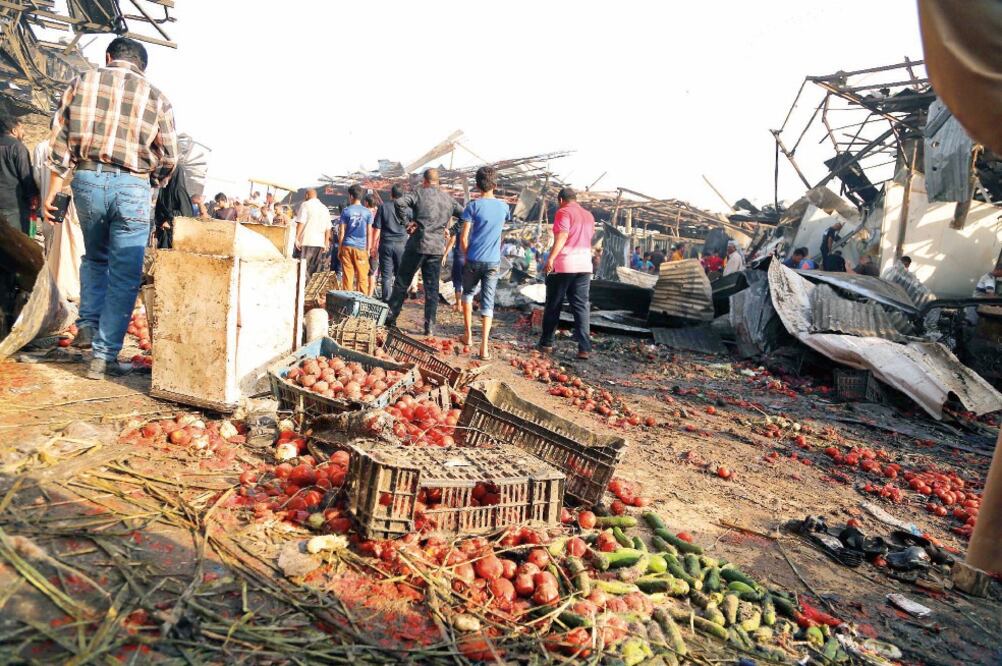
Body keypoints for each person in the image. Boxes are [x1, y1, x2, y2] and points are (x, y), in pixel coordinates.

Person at [42, 37, 177, 380]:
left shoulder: (81, 82)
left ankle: (87, 324)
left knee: (95, 258)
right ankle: (103, 358)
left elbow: (60, 140)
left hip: (87, 179)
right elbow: (170, 156)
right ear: (142, 66)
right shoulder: (157, 97)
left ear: (108, 57)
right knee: (124, 274)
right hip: (133, 184)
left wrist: (53, 190)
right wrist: (152, 182)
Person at [385, 168, 464, 335]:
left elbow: (399, 203)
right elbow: (465, 214)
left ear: (425, 181)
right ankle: (429, 327)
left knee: (402, 282)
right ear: (438, 181)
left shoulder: (419, 193)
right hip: (436, 248)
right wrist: (453, 230)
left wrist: (407, 223)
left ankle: (390, 319)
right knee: (432, 288)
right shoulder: (448, 199)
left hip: (417, 244)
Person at [538, 187, 595, 360]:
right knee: (581, 307)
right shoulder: (589, 216)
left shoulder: (563, 212)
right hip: (584, 265)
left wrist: (551, 258)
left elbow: (562, 236)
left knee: (554, 304)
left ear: (561, 200)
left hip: (564, 264)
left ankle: (546, 344)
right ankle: (584, 349)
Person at [459, 166, 509, 359]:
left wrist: (466, 255)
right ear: (495, 185)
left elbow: (464, 238)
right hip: (493, 262)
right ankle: (484, 348)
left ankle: (468, 335)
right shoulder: (504, 207)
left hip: (473, 259)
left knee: (468, 294)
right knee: (488, 302)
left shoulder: (472, 206)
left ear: (477, 185)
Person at [0, 115, 38, 235]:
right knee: (16, 239)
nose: (23, 132)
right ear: (14, 130)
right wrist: (33, 197)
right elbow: (25, 175)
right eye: (21, 128)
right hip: (14, 204)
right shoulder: (18, 147)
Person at [374, 184, 409, 302]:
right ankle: (398, 301)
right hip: (401, 245)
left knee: (386, 275)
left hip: (386, 244)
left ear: (391, 194)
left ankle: (386, 300)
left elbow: (377, 229)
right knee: (401, 275)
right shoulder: (407, 209)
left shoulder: (383, 207)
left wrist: (373, 246)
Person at [337, 185, 372, 294]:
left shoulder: (346, 211)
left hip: (347, 246)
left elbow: (342, 232)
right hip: (361, 248)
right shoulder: (367, 212)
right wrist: (368, 249)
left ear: (351, 196)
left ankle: (347, 301)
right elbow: (369, 232)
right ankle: (363, 301)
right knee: (362, 278)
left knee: (348, 277)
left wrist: (340, 248)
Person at [295, 188, 331, 281]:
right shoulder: (324, 208)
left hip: (307, 241)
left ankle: (303, 288)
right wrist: (326, 242)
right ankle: (310, 289)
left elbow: (301, 222)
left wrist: (297, 238)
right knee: (315, 270)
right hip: (319, 244)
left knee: (303, 269)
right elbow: (328, 228)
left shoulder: (305, 205)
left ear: (307, 195)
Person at [362, 193, 380, 296]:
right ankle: (369, 295)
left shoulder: (363, 213)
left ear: (366, 203)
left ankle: (362, 294)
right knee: (372, 273)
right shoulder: (378, 213)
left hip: (363, 246)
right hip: (376, 246)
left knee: (362, 272)